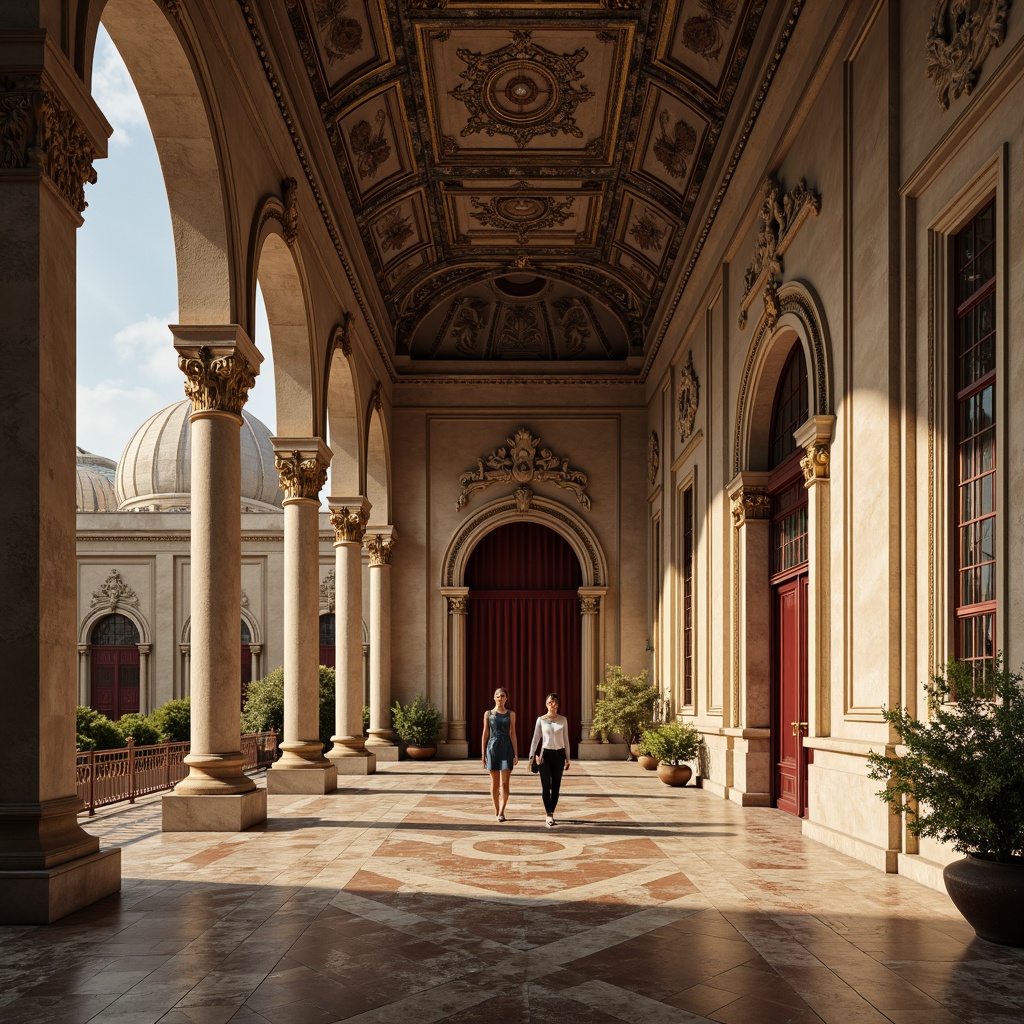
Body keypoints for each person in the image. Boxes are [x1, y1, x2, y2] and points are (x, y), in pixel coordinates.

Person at [528, 693, 570, 826]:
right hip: (545, 755)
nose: (552, 705)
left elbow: (566, 740)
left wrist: (568, 758)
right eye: (550, 702)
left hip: (559, 755)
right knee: (546, 786)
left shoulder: (563, 720)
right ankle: (548, 813)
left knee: (556, 787)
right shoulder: (541, 719)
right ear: (546, 704)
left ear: (558, 704)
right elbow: (536, 739)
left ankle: (552, 810)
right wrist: (531, 757)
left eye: (555, 702)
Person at [481, 687, 517, 821]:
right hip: (492, 749)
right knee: (494, 783)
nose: (500, 698)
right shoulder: (488, 713)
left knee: (505, 782)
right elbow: (485, 734)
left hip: (506, 748)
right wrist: (483, 754)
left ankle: (502, 811)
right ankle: (496, 808)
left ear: (506, 698)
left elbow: (513, 734)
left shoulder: (511, 714)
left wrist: (516, 753)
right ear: (494, 697)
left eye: (502, 696)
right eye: (497, 695)